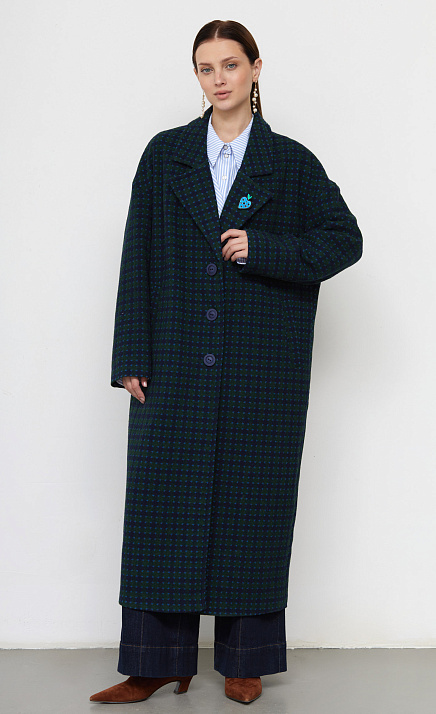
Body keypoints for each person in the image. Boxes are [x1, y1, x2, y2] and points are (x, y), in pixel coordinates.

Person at [90, 19, 363, 706]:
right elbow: (136, 253)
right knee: (162, 510)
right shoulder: (166, 156)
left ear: (255, 69)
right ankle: (155, 662)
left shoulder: (290, 164)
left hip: (261, 369)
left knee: (252, 511)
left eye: (230, 64)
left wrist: (263, 249)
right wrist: (130, 354)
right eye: (206, 67)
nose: (218, 79)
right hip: (175, 361)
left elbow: (345, 240)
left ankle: (246, 660)